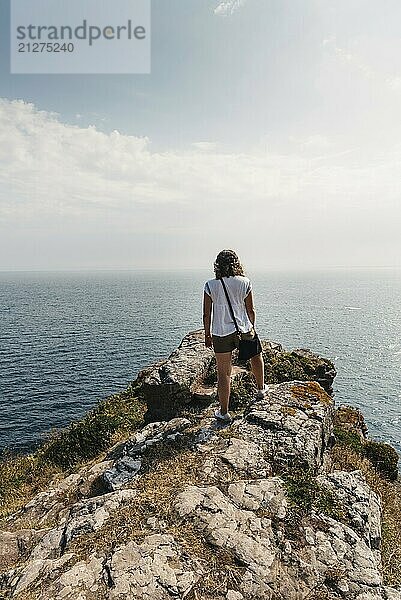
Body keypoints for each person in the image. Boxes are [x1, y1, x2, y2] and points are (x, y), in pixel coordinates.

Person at [203, 249, 267, 422]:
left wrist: (207, 335)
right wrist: (251, 327)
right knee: (256, 356)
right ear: (236, 263)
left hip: (220, 332)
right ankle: (261, 389)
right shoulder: (245, 282)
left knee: (223, 373)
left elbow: (206, 314)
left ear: (217, 265)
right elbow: (251, 310)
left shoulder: (210, 285)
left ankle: (224, 412)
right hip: (243, 328)